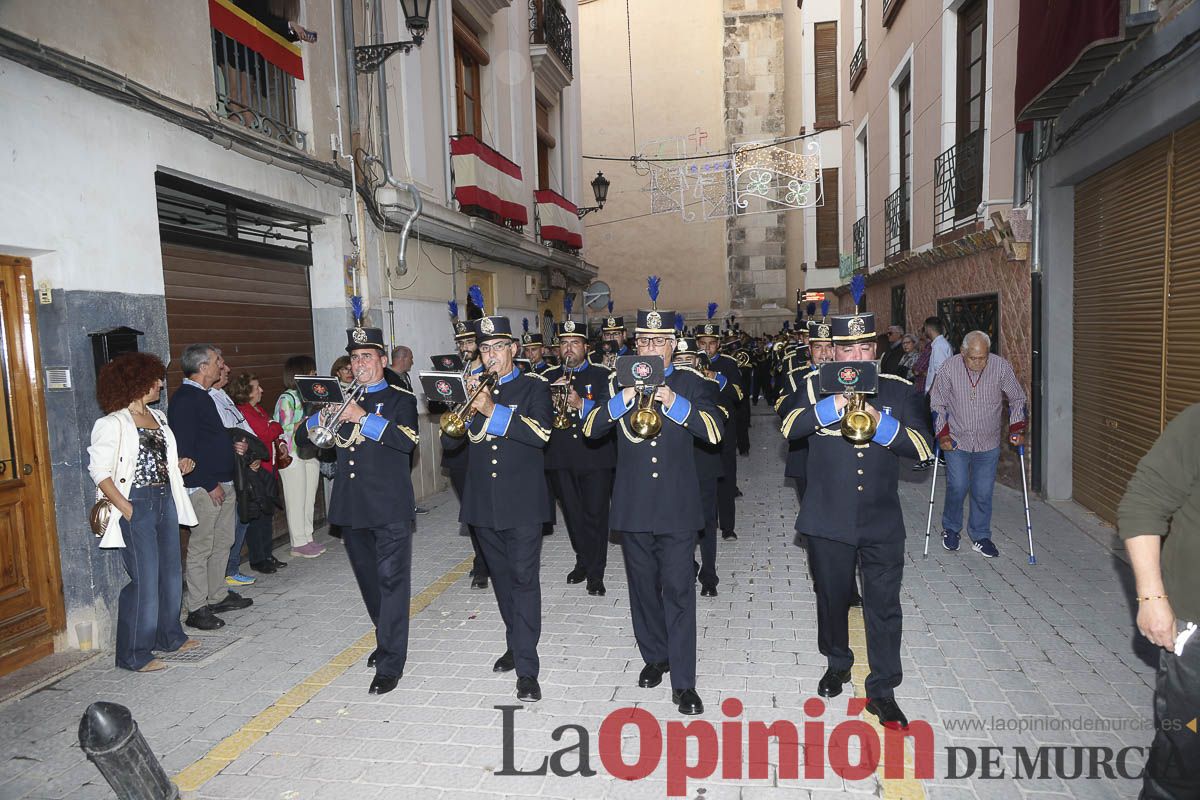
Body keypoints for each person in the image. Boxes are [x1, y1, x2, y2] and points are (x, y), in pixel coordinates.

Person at [780, 309, 933, 729]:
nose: (857, 354)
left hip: (881, 521)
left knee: (885, 607)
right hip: (828, 518)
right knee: (831, 597)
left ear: (874, 349)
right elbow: (790, 427)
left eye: (865, 346)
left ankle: (883, 689)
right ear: (835, 351)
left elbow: (923, 451)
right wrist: (832, 406)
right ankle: (837, 660)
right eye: (848, 347)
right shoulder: (813, 385)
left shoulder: (899, 391)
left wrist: (882, 424)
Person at [584, 283, 723, 715]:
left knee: (679, 591)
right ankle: (655, 656)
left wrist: (675, 402)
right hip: (634, 505)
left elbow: (715, 433)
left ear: (673, 345)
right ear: (634, 343)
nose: (651, 347)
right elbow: (590, 430)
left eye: (659, 341)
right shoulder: (615, 381)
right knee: (643, 589)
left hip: (679, 508)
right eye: (644, 339)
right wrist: (621, 401)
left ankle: (684, 682)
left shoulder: (691, 383)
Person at [305, 323, 420, 695]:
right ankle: (385, 635)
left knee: (392, 583)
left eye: (366, 357)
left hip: (389, 508)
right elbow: (309, 440)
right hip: (352, 507)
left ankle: (391, 661)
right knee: (370, 584)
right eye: (354, 358)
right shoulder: (340, 399)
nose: (359, 365)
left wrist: (361, 417)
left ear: (383, 361)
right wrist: (320, 418)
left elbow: (405, 443)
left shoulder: (401, 399)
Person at [450, 314, 553, 702]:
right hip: (483, 504)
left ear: (513, 349)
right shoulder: (471, 388)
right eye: (485, 348)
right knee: (504, 582)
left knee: (525, 582)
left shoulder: (534, 388)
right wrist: (465, 404)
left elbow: (541, 435)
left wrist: (492, 408)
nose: (491, 355)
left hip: (523, 502)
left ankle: (527, 669)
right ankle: (516, 641)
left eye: (498, 347)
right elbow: (451, 444)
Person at [89, 352, 200, 672]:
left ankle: (169, 636)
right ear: (134, 382)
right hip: (135, 503)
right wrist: (126, 508)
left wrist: (180, 465)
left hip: (165, 499)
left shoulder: (160, 418)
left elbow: (161, 461)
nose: (160, 384)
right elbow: (99, 471)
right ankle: (132, 654)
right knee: (145, 579)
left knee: (170, 573)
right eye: (154, 379)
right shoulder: (111, 423)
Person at [1118, 403, 1200, 799]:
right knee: (1185, 755)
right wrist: (1151, 597)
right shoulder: (1197, 424)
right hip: (1197, 630)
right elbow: (1142, 506)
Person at [168, 344, 254, 631]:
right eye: (218, 360)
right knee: (202, 546)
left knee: (222, 542)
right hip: (206, 487)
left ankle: (217, 595)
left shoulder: (204, 397)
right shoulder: (185, 399)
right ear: (203, 367)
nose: (222, 365)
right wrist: (206, 483)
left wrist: (232, 443)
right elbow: (185, 449)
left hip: (223, 481)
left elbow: (208, 438)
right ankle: (196, 607)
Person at [929, 331, 1027, 558]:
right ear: (963, 352)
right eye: (973, 358)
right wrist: (942, 434)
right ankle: (951, 529)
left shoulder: (1000, 367)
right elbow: (937, 402)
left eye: (983, 357)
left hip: (988, 441)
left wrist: (1016, 428)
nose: (979, 363)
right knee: (958, 485)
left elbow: (1017, 398)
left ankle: (980, 536)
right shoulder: (949, 368)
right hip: (956, 441)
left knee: (983, 492)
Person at [543, 318, 615, 596]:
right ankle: (582, 560)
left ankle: (596, 573)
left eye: (574, 343)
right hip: (560, 458)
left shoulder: (602, 375)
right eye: (564, 344)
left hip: (595, 457)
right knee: (573, 516)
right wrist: (551, 401)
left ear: (586, 347)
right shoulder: (547, 377)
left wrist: (581, 403)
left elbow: (611, 412)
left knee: (596, 516)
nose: (569, 349)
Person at [442, 303, 491, 589]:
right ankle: (480, 557)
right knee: (470, 512)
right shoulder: (452, 371)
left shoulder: (490, 372)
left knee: (488, 507)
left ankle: (487, 561)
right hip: (460, 451)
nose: (465, 347)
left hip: (484, 448)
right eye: (461, 342)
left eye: (470, 341)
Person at [230, 373, 287, 575]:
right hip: (256, 471)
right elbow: (265, 433)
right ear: (246, 392)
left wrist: (274, 431)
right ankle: (258, 559)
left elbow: (275, 429)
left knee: (267, 514)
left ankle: (267, 554)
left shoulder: (258, 409)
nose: (261, 390)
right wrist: (272, 428)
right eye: (256, 387)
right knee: (257, 516)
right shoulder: (243, 411)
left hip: (268, 468)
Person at [208, 362, 257, 587]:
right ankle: (227, 572)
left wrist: (254, 451)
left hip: (241, 465)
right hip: (228, 470)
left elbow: (243, 427)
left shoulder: (223, 396)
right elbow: (227, 434)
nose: (227, 368)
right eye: (221, 364)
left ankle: (232, 568)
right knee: (229, 525)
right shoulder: (210, 398)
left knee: (241, 519)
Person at [697, 310, 743, 541]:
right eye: (703, 343)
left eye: (711, 343)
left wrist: (719, 378)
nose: (707, 348)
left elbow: (738, 394)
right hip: (699, 432)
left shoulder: (728, 364)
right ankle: (705, 524)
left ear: (718, 344)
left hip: (725, 430)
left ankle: (728, 526)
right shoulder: (688, 363)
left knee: (726, 478)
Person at [275, 355, 324, 559]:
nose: (314, 376)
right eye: (311, 372)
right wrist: (305, 422)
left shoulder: (307, 397)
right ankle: (298, 542)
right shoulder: (287, 398)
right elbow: (281, 428)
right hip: (293, 454)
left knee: (308, 497)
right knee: (296, 498)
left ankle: (307, 536)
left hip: (309, 451)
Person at [924, 316, 953, 395]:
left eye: (925, 328)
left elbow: (940, 370)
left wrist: (932, 391)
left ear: (929, 329)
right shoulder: (938, 344)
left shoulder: (939, 345)